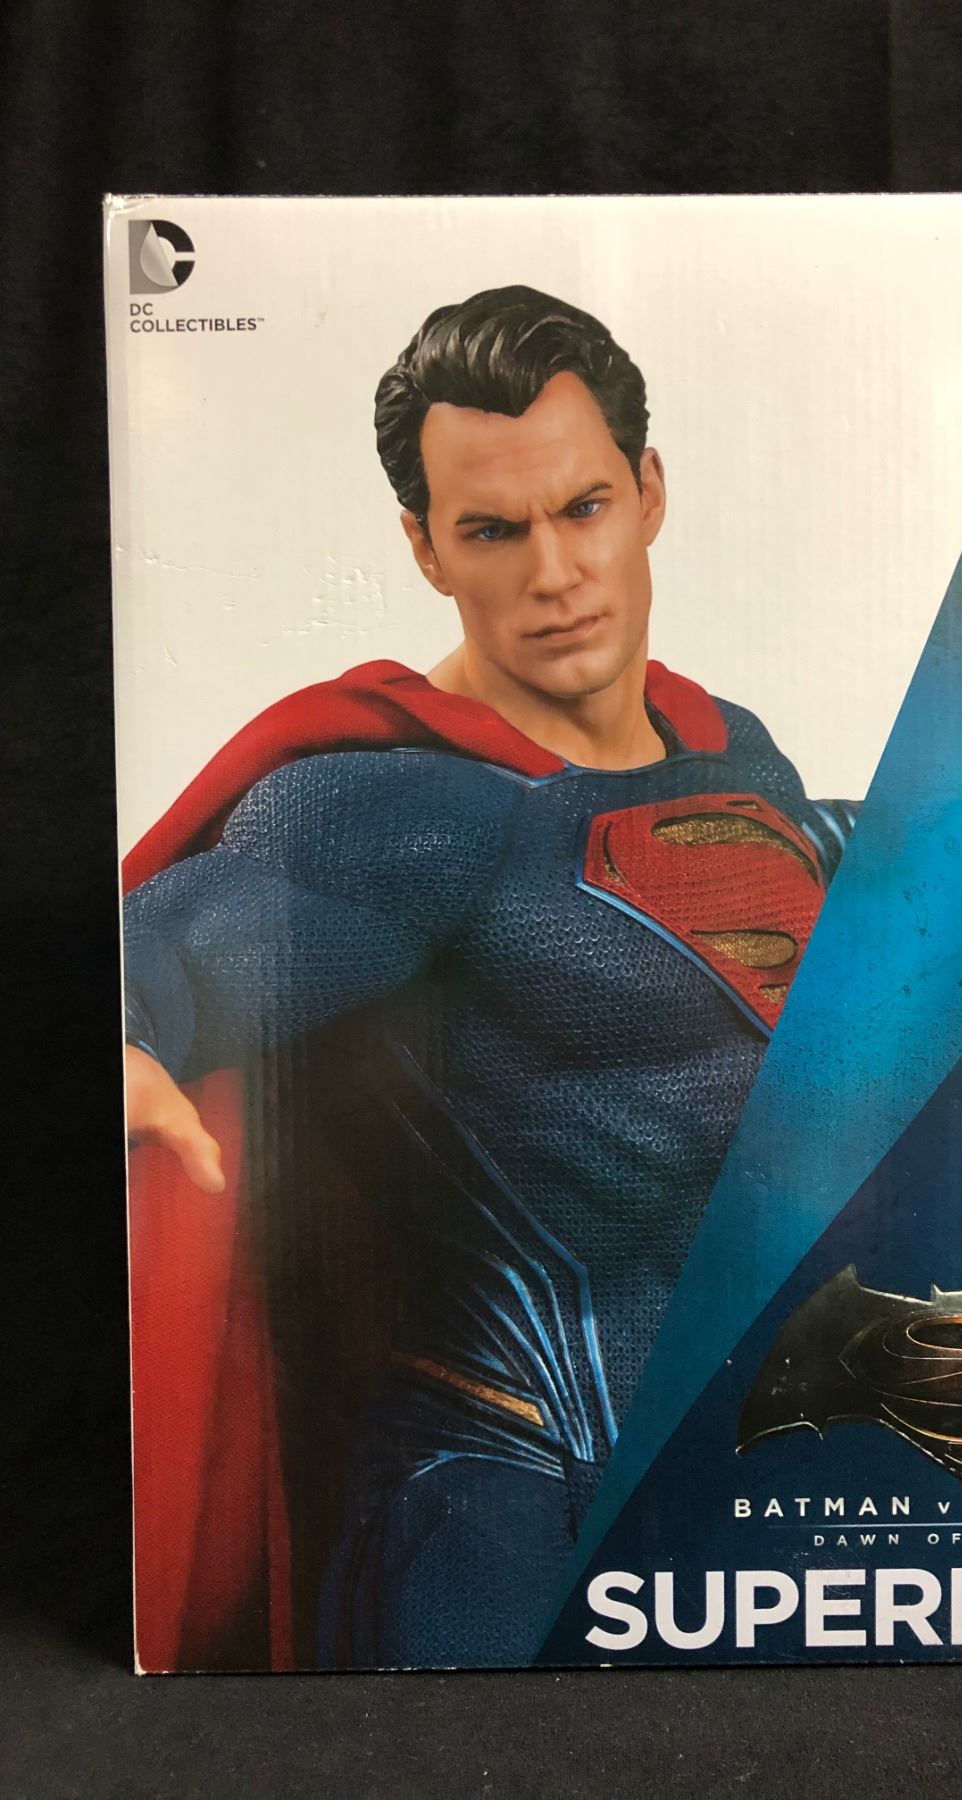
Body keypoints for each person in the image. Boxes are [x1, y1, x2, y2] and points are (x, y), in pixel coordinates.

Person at [123, 286, 857, 1669]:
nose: (555, 573)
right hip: (500, 1504)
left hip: (742, 1468)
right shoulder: (391, 808)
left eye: (583, 508)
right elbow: (173, 943)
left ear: (647, 493)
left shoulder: (735, 752)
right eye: (493, 531)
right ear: (423, 547)